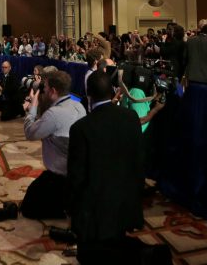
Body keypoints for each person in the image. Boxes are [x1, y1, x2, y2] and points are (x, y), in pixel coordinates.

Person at [68, 71, 144, 263]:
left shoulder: (80, 128)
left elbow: (76, 177)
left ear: (88, 95)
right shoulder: (131, 117)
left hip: (94, 212)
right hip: (128, 202)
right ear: (113, 92)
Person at [20, 71, 86, 219]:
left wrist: (33, 105)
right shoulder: (79, 106)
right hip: (78, 174)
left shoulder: (54, 114)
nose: (43, 90)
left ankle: (65, 210)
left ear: (53, 91)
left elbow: (30, 133)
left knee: (28, 208)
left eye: (46, 88)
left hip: (60, 177)